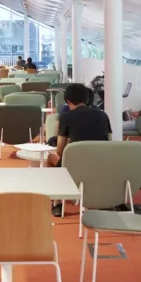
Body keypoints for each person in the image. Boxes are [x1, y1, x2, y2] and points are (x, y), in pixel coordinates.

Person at [47, 82, 111, 214]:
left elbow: (60, 150)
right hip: (101, 165)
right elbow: (109, 142)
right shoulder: (103, 115)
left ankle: (57, 202)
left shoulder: (66, 117)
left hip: (75, 167)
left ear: (68, 101)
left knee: (50, 158)